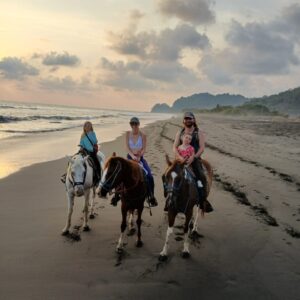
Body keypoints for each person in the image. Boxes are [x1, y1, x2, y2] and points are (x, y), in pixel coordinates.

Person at [110, 117, 158, 207]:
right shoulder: (127, 134)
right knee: (120, 174)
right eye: (132, 124)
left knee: (149, 176)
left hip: (140, 158)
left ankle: (151, 196)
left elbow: (144, 148)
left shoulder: (143, 135)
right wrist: (132, 156)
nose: (134, 126)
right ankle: (116, 196)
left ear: (139, 124)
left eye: (136, 124)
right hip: (129, 158)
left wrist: (139, 156)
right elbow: (127, 147)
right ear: (130, 125)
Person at [172, 112, 213, 212]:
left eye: (190, 118)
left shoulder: (198, 132)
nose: (188, 120)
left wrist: (193, 157)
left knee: (201, 177)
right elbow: (174, 147)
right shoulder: (180, 132)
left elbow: (202, 148)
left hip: (194, 159)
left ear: (193, 120)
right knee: (168, 175)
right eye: (186, 119)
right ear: (183, 121)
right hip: (180, 159)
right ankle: (169, 198)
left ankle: (202, 201)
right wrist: (179, 157)